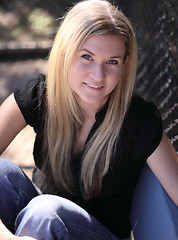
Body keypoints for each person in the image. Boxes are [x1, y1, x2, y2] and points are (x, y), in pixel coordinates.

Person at [0, 0, 177, 239]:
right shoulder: (40, 96)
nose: (98, 75)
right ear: (66, 53)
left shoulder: (138, 121)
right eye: (87, 56)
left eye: (112, 62)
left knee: (45, 213)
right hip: (39, 221)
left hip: (92, 232)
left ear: (125, 64)